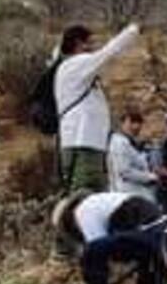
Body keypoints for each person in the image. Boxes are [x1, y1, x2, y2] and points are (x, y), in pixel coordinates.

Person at [54, 23, 141, 192]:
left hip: (84, 142)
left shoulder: (71, 69)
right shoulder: (76, 64)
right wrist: (132, 31)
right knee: (85, 195)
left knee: (84, 195)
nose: (92, 48)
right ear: (78, 43)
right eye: (89, 43)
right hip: (83, 142)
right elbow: (107, 53)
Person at [108, 109, 159, 201]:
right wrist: (151, 177)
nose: (136, 126)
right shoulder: (119, 143)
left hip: (137, 194)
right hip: (127, 194)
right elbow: (124, 171)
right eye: (131, 122)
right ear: (122, 123)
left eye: (139, 122)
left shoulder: (130, 143)